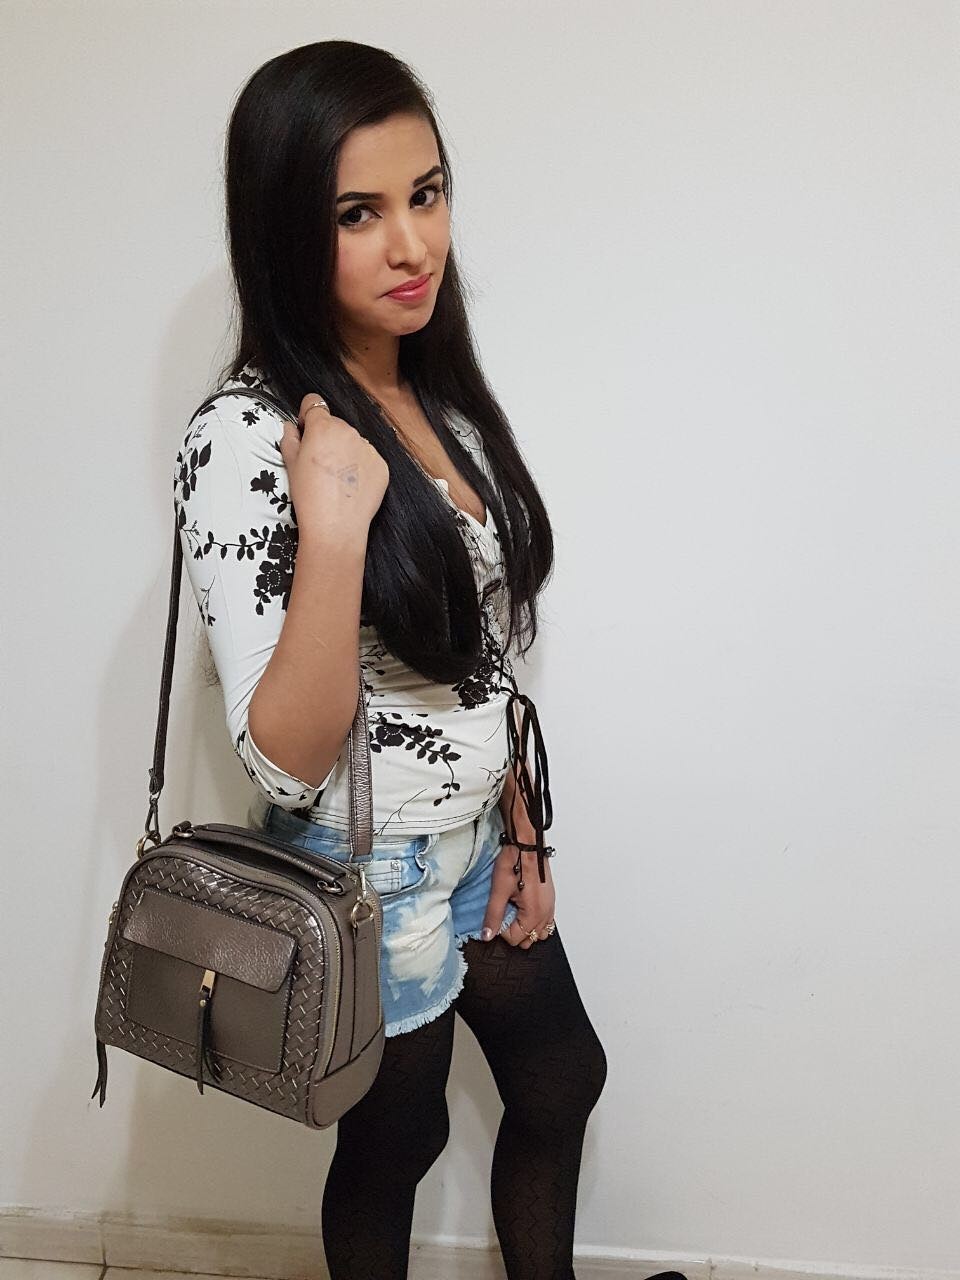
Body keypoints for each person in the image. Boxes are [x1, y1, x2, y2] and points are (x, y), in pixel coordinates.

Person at [173, 39, 686, 1280]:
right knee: (394, 1144)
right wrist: (334, 528)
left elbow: (480, 648)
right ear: (284, 228)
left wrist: (522, 824)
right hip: (369, 869)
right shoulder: (244, 435)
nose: (413, 245)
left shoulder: (437, 395)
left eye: (427, 193)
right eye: (358, 213)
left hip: (470, 843)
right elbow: (284, 761)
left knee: (561, 1074)